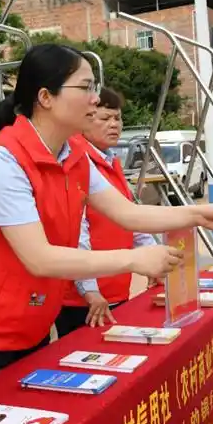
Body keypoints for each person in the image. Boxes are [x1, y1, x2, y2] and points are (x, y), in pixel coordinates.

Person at [0, 44, 213, 392]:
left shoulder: (74, 154)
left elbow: (127, 213)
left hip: (32, 324)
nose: (95, 99)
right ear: (46, 97)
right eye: (86, 87)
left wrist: (198, 214)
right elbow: (39, 258)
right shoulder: (1, 161)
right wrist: (134, 259)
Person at [55, 86, 159, 337]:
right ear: (85, 119)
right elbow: (77, 232)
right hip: (85, 300)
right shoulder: (76, 161)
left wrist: (155, 261)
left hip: (114, 290)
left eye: (118, 118)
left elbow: (131, 219)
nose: (114, 125)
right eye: (105, 118)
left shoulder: (110, 161)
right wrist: (90, 290)